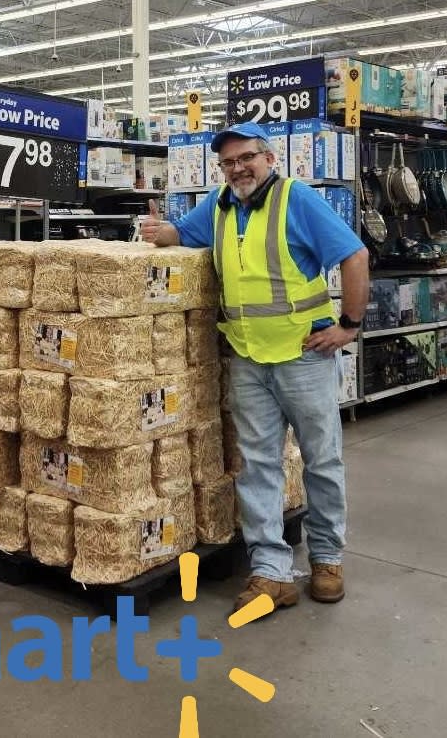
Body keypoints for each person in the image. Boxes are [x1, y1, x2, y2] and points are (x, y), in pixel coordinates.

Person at [142, 121, 369, 613]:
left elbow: (354, 255)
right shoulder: (220, 205)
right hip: (247, 357)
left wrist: (349, 325)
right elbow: (182, 233)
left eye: (247, 158)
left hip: (305, 355)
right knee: (258, 466)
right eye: (228, 162)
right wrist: (161, 233)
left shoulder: (297, 199)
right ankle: (271, 572)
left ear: (269, 158)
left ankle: (327, 559)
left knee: (322, 461)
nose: (238, 168)